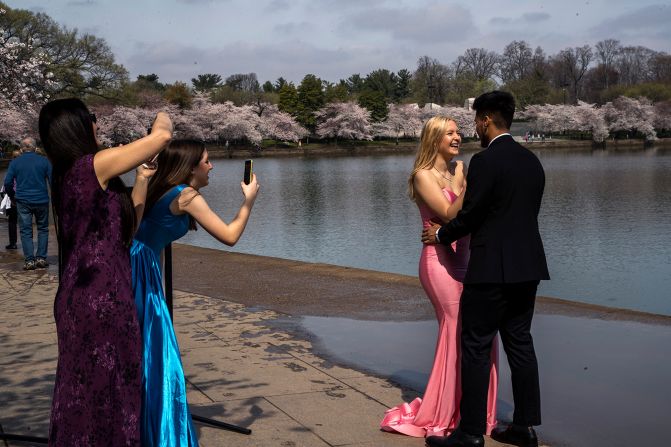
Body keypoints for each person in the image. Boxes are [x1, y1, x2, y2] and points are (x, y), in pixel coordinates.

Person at [39, 98, 172, 446]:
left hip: (99, 295)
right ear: (77, 127)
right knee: (105, 392)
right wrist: (162, 115)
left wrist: (142, 179)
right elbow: (160, 138)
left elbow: (126, 231)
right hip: (99, 300)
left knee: (97, 391)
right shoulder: (89, 167)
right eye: (93, 118)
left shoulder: (78, 176)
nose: (98, 125)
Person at [422, 91, 549, 447]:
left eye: (477, 120)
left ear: (486, 119)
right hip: (529, 266)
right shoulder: (532, 161)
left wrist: (442, 234)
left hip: (491, 267)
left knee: (475, 345)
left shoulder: (485, 161)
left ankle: (471, 432)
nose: (474, 127)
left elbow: (472, 214)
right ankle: (524, 427)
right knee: (521, 343)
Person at [131, 139, 259, 446]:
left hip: (136, 266)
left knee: (143, 351)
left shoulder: (161, 188)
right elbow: (229, 236)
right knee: (158, 352)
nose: (211, 166)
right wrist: (249, 200)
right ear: (190, 167)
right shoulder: (186, 196)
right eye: (206, 161)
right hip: (139, 273)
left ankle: (142, 424)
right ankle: (159, 431)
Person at [380, 116, 498, 439]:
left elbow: (473, 216)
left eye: (458, 131)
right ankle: (445, 413)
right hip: (439, 263)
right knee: (454, 331)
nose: (458, 137)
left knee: (480, 335)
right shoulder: (422, 176)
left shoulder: (456, 170)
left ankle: (474, 412)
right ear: (434, 139)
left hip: (469, 262)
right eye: (450, 133)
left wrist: (466, 180)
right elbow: (449, 215)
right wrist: (472, 183)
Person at [3, 137, 52, 269]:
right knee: (43, 229)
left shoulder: (15, 163)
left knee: (25, 231)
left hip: (23, 200)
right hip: (41, 199)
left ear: (21, 149)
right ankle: (41, 257)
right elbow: (53, 181)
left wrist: (12, 196)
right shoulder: (44, 161)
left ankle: (29, 260)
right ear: (35, 148)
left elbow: (7, 182)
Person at [1, 150, 22, 249]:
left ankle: (13, 243)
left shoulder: (11, 167)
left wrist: (7, 195)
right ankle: (27, 243)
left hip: (12, 196)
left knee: (12, 221)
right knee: (25, 221)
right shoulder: (24, 167)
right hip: (24, 196)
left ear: (12, 157)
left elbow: (7, 183)